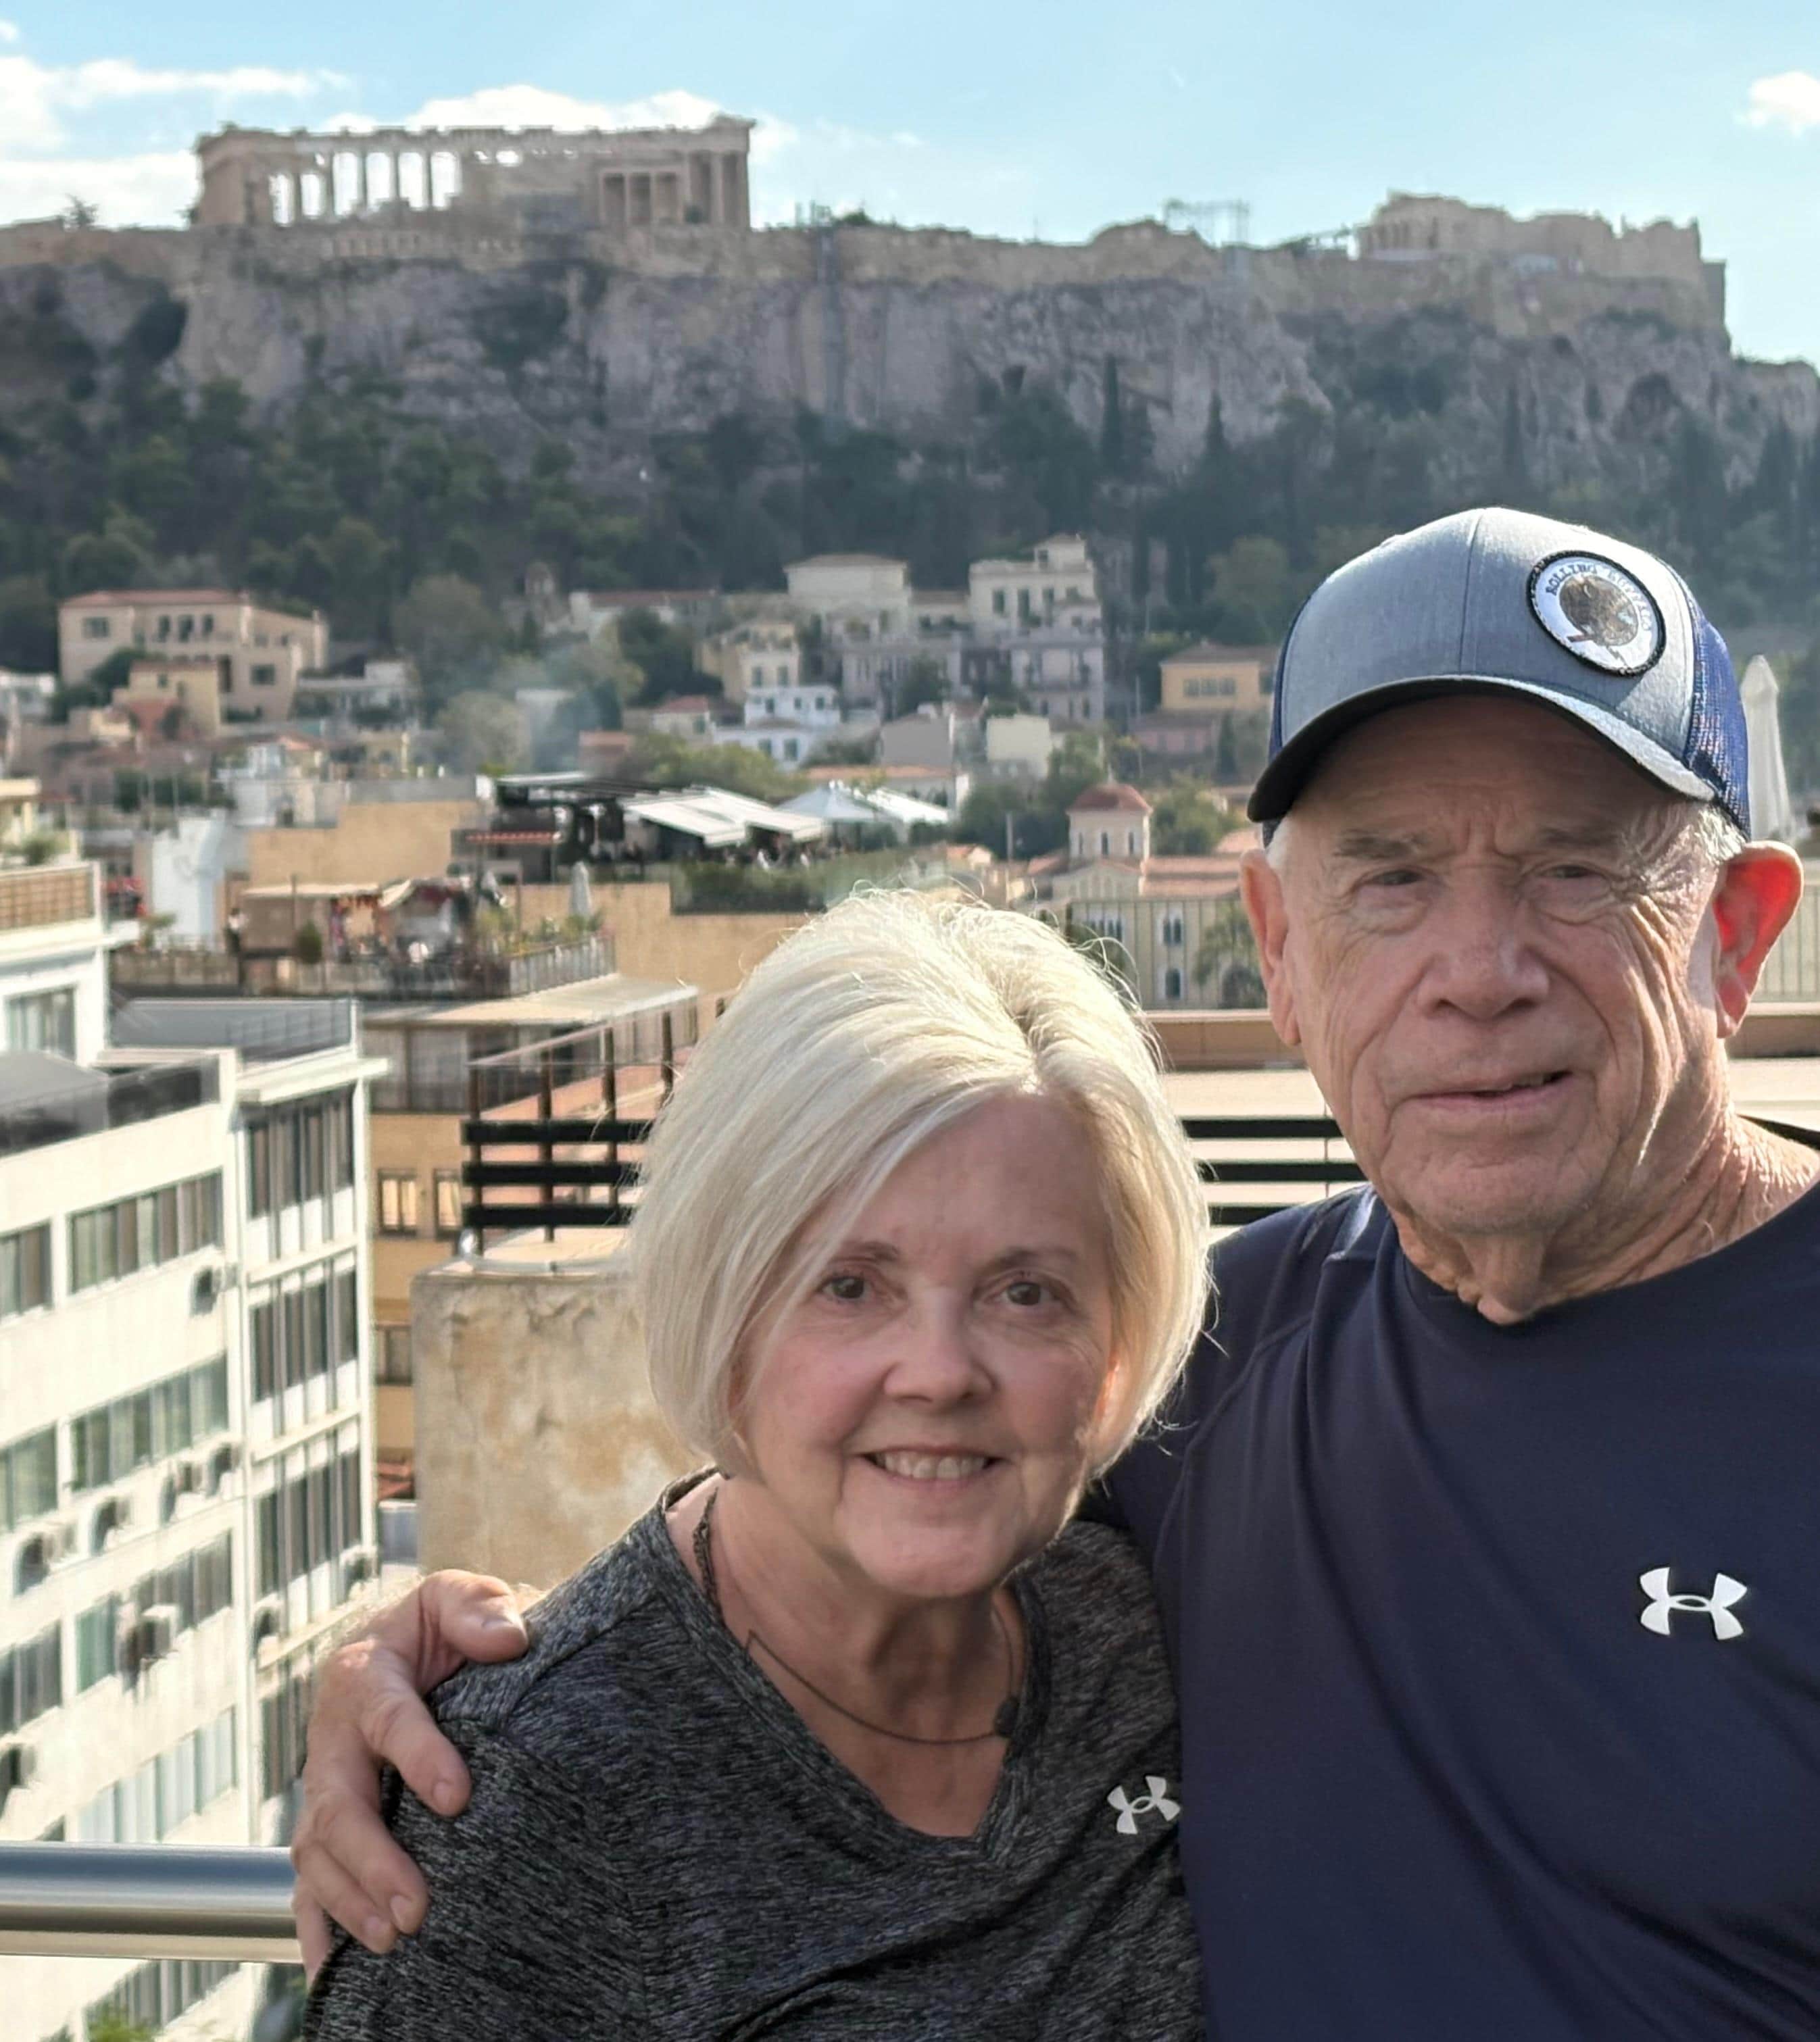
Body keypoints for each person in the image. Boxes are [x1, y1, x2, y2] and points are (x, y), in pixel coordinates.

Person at [296, 507, 1820, 2037]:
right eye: (1393, 880)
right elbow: (856, 1488)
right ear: (1279, 949)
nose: (1481, 971)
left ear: (1737, 936)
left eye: (1572, 871)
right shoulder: (1215, 1363)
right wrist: (477, 1674)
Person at [304, 892, 1210, 2039]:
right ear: (725, 1312)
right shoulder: (533, 1801)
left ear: (1115, 1349)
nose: (938, 1370)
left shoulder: (1156, 1618)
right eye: (849, 1283)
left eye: (1023, 1291)